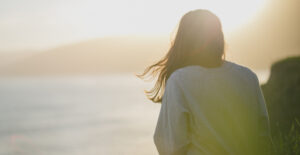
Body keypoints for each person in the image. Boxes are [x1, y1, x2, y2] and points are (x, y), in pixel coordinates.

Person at [138, 9, 274, 155]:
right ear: (219, 37)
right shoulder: (248, 77)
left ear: (184, 41)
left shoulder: (180, 81)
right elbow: (263, 139)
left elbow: (170, 147)